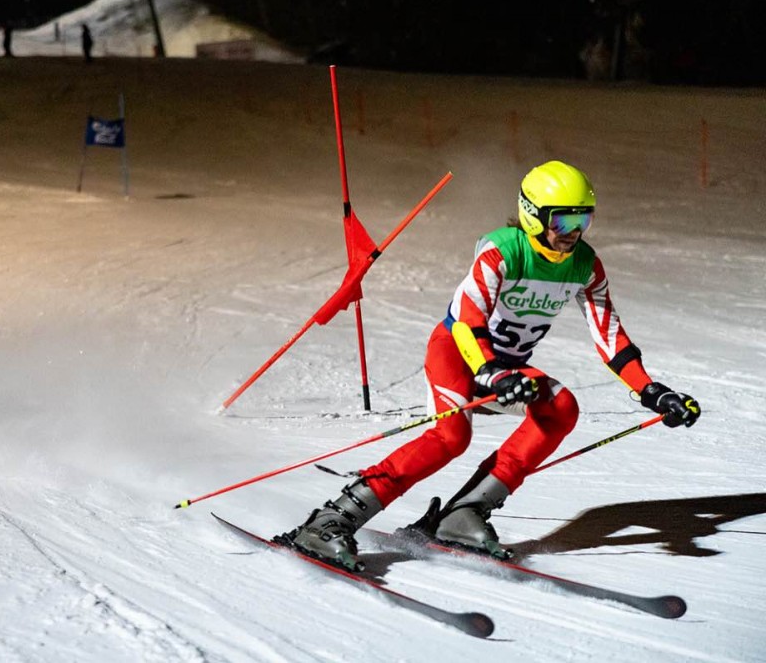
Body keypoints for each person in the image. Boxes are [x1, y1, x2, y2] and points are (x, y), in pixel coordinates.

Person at [281, 160, 701, 570]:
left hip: (506, 369)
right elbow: (468, 319)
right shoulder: (503, 251)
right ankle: (332, 520)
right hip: (457, 353)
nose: (572, 233)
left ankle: (463, 514)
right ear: (533, 216)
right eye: (562, 222)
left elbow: (609, 335)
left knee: (561, 408)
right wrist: (490, 372)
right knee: (451, 437)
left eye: (582, 221)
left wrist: (651, 390)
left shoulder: (584, 265)